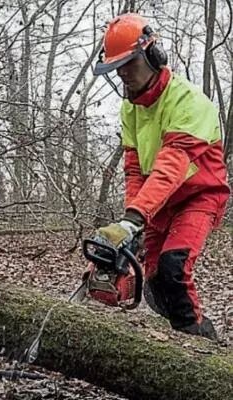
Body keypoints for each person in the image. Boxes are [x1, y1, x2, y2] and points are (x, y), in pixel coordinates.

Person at [93, 13, 230, 340]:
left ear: (153, 56)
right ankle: (181, 334)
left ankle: (200, 340)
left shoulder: (189, 101)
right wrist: (130, 225)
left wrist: (134, 217)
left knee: (173, 266)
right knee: (153, 280)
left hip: (199, 195)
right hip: (159, 203)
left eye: (129, 64)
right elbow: (135, 169)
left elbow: (172, 165)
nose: (123, 73)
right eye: (117, 67)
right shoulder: (130, 108)